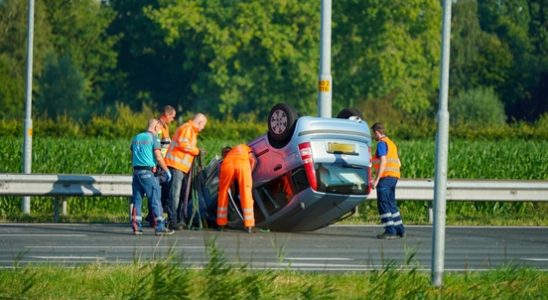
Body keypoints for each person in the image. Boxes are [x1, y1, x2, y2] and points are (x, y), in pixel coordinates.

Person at [130, 119, 174, 236]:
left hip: (136, 173)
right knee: (155, 198)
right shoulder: (154, 138)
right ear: (155, 127)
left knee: (137, 200)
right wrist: (166, 170)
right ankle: (160, 227)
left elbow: (132, 155)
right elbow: (159, 157)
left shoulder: (136, 138)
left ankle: (136, 227)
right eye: (159, 129)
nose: (159, 131)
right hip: (148, 173)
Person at [164, 113, 207, 230]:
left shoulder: (191, 131)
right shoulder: (187, 128)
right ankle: (172, 220)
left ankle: (178, 219)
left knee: (180, 194)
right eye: (203, 125)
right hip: (176, 165)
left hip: (181, 168)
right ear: (199, 122)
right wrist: (197, 151)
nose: (203, 128)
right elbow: (184, 145)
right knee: (175, 194)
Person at [371, 122, 405, 239]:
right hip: (394, 176)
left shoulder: (381, 143)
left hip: (385, 177)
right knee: (391, 203)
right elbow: (398, 163)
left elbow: (383, 161)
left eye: (373, 134)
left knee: (383, 204)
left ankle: (390, 231)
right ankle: (399, 229)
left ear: (376, 132)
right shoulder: (391, 144)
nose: (373, 136)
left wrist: (376, 180)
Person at [146, 105, 177, 226]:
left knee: (161, 191)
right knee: (156, 191)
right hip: (158, 165)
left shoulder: (165, 127)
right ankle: (152, 216)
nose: (173, 119)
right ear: (167, 115)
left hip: (163, 164)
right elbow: (154, 147)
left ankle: (153, 215)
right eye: (172, 117)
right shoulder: (158, 128)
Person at [216, 144, 256, 233]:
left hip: (227, 165)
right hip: (243, 165)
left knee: (223, 193)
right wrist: (249, 173)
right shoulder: (244, 147)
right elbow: (253, 160)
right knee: (246, 194)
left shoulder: (226, 158)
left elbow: (231, 187)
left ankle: (221, 224)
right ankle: (248, 225)